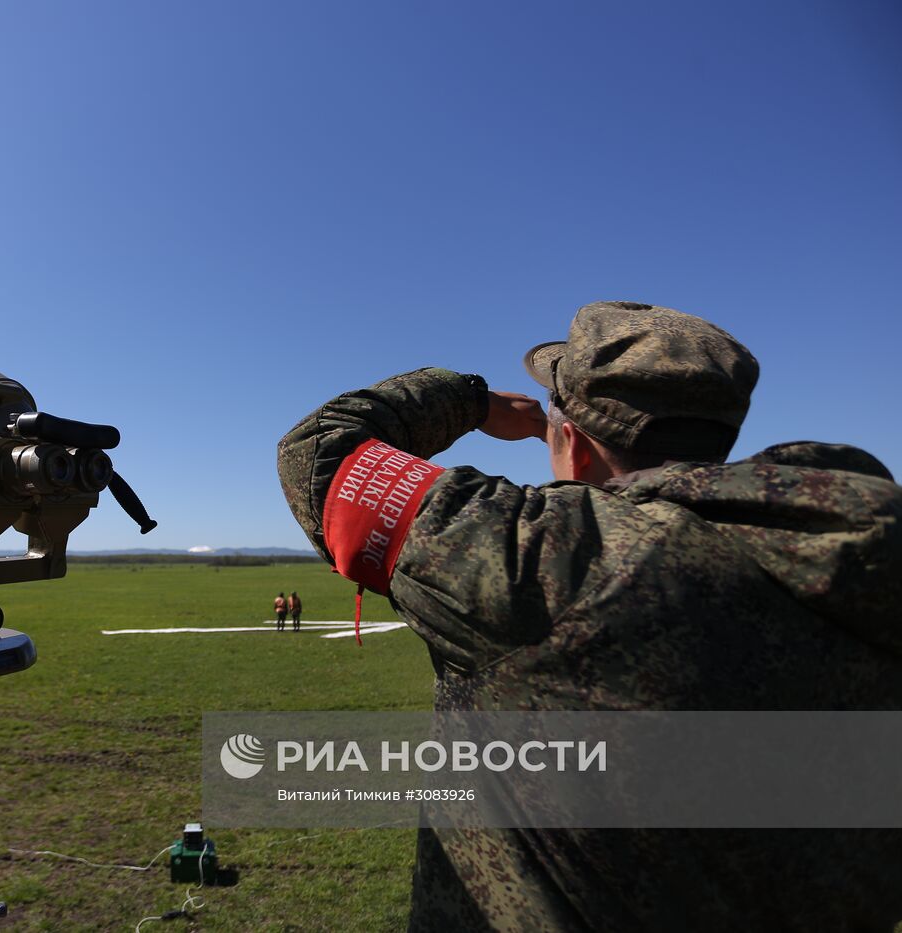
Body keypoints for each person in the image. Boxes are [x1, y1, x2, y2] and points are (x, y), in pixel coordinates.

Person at [276, 301, 902, 932]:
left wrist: (471, 402)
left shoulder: (551, 561)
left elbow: (320, 450)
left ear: (571, 447)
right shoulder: (864, 550)